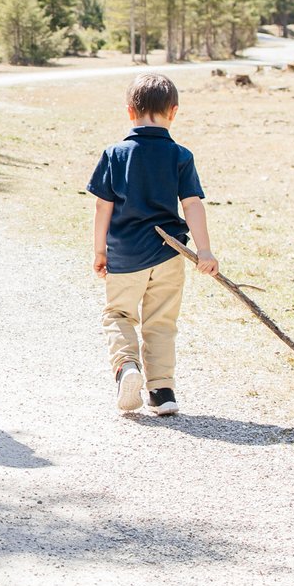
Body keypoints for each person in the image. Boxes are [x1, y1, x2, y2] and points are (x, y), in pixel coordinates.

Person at [86, 72, 219, 417]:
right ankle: (161, 391)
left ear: (130, 111)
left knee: (119, 314)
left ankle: (127, 368)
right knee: (161, 322)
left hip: (125, 256)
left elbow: (103, 206)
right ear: (173, 112)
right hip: (169, 253)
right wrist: (203, 250)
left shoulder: (115, 154)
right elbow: (192, 204)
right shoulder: (180, 155)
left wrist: (100, 251)